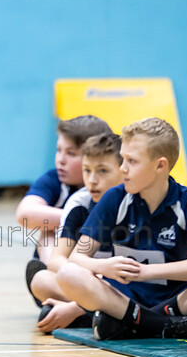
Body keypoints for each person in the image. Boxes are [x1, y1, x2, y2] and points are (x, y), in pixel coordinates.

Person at [56, 118, 187, 340]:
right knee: (67, 274)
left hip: (175, 299)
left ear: (160, 165)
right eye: (122, 159)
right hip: (122, 298)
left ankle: (130, 325)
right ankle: (167, 326)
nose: (122, 168)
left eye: (131, 161)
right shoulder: (115, 198)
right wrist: (104, 266)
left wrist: (147, 272)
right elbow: (77, 257)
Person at [29, 132, 125, 333]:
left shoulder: (132, 203)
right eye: (87, 171)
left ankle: (83, 313)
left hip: (127, 287)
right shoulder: (79, 203)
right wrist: (94, 274)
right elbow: (57, 260)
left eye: (102, 171)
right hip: (93, 282)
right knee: (41, 281)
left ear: (124, 170)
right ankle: (98, 313)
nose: (92, 180)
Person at [17, 116, 112, 300]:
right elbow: (25, 214)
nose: (61, 160)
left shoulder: (112, 190)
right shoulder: (55, 181)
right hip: (64, 269)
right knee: (49, 229)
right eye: (59, 150)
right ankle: (53, 276)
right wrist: (74, 219)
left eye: (71, 153)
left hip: (100, 269)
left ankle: (82, 303)